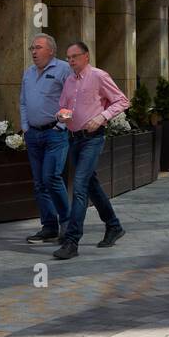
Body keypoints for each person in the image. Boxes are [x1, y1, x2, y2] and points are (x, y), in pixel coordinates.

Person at [52, 41, 129, 260]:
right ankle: (113, 225)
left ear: (86, 56)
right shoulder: (68, 81)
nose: (71, 61)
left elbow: (122, 101)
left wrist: (101, 117)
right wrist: (62, 115)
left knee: (79, 187)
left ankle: (72, 241)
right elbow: (64, 108)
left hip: (93, 139)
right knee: (91, 185)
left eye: (74, 56)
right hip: (74, 139)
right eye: (68, 57)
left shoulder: (99, 76)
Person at [21, 34, 72, 246]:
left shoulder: (63, 69)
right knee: (40, 183)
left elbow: (73, 100)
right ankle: (49, 226)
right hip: (33, 134)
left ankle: (68, 225)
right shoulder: (28, 73)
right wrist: (25, 128)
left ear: (51, 50)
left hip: (55, 134)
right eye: (32, 48)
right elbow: (23, 102)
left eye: (38, 47)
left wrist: (61, 125)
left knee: (51, 178)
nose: (34, 51)